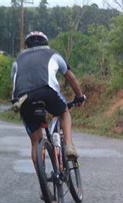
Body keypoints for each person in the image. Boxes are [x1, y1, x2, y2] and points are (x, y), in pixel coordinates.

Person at [11, 31, 86, 170]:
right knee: (64, 112)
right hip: (47, 90)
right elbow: (71, 77)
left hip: (22, 97)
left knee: (35, 142)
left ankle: (43, 186)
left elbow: (14, 82)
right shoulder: (53, 54)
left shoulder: (18, 60)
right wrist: (79, 96)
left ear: (27, 45)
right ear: (45, 43)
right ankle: (69, 145)